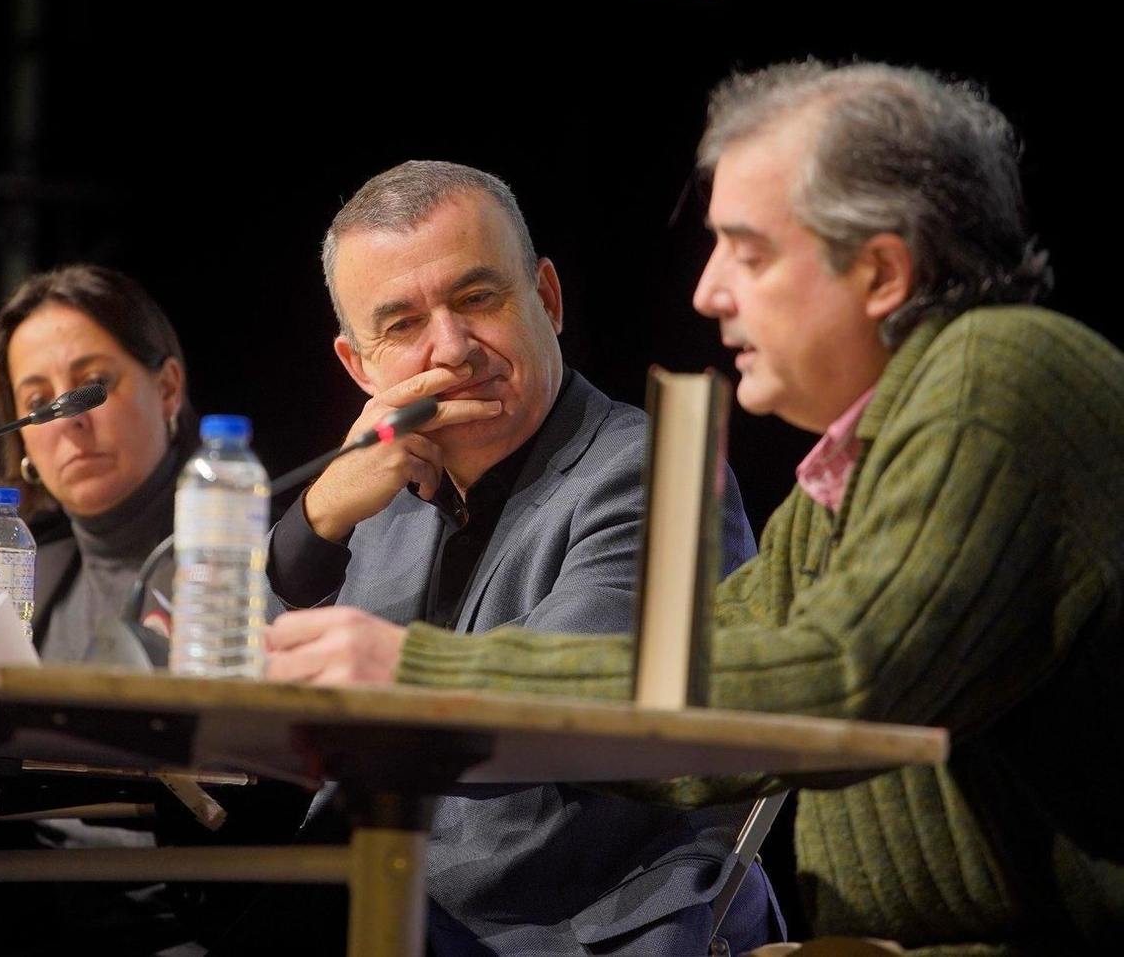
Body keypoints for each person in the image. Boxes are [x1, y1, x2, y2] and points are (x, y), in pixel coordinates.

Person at [324, 64, 1124, 952]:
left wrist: (420, 673)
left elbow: (835, 678)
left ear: (881, 271)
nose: (707, 293)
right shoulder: (857, 467)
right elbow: (686, 702)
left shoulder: (996, 382)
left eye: (748, 253)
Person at [260, 161, 780, 955]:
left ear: (547, 299)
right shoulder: (375, 490)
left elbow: (568, 705)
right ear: (359, 366)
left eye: (477, 299)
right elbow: (236, 670)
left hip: (572, 929)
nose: (453, 347)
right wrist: (315, 520)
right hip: (387, 905)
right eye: (401, 325)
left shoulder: (649, 472)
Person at [0, 262, 199, 667]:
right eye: (37, 403)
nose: (68, 417)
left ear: (167, 389)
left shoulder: (265, 560)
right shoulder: (18, 586)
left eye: (93, 385)